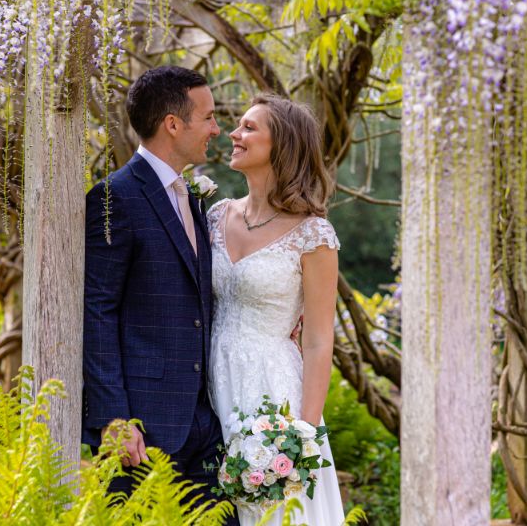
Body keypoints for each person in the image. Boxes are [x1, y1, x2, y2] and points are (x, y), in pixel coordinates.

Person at [82, 65, 237, 523]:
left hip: (204, 423)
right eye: (208, 117)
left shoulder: (190, 197)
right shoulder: (114, 197)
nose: (216, 128)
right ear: (173, 123)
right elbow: (97, 310)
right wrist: (113, 418)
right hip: (141, 432)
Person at [207, 94, 345, 525]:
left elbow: (320, 339)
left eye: (249, 128)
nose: (234, 133)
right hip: (212, 379)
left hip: (272, 392)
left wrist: (302, 434)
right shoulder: (215, 215)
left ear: (281, 146)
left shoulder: (313, 235)